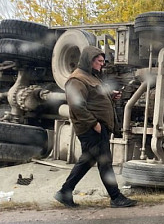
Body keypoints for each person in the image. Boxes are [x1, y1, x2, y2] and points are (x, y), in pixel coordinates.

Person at [54, 46, 137, 208]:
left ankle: (65, 192)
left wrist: (111, 96)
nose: (102, 64)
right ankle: (116, 197)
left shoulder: (90, 77)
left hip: (98, 127)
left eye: (102, 61)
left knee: (88, 160)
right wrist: (94, 124)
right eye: (99, 61)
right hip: (91, 128)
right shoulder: (76, 79)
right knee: (104, 162)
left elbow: (94, 99)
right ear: (89, 61)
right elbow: (77, 106)